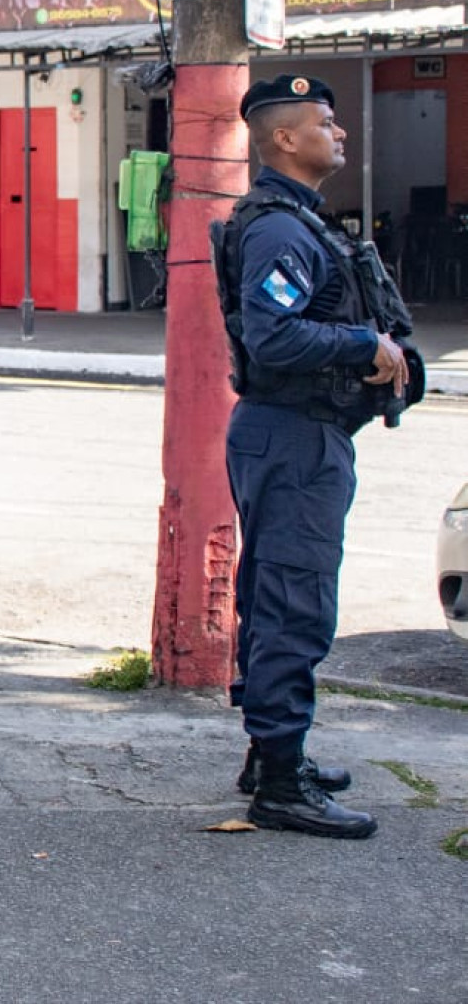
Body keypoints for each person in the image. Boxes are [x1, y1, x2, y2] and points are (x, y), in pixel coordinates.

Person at [218, 74, 413, 840]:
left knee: (278, 592)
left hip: (294, 434)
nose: (341, 135)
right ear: (284, 140)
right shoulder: (280, 230)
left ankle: (273, 751)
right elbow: (273, 335)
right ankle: (279, 781)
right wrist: (368, 343)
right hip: (292, 435)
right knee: (294, 601)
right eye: (326, 124)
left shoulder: (296, 220)